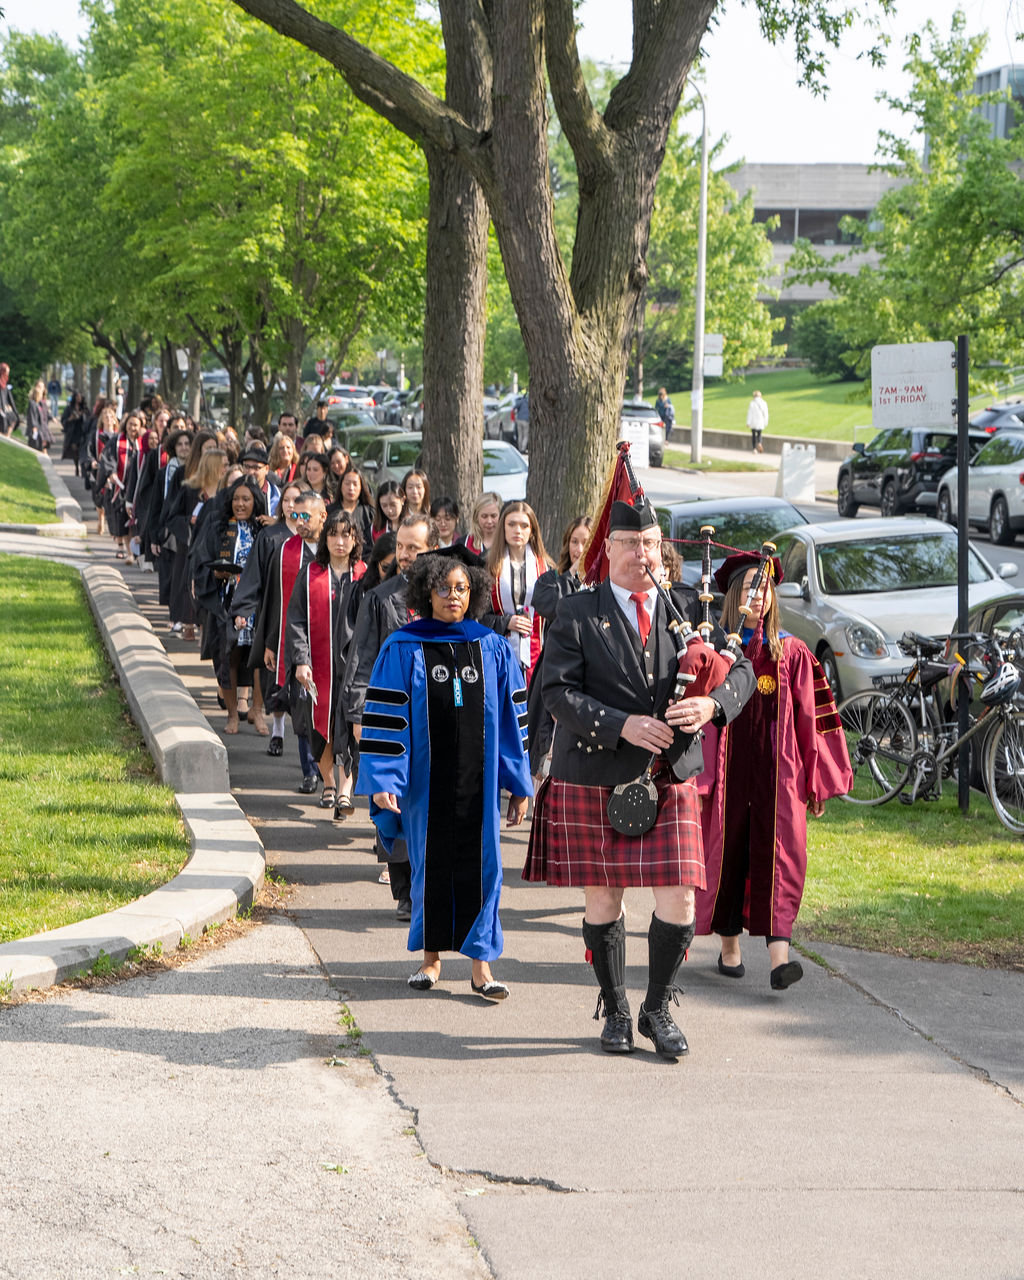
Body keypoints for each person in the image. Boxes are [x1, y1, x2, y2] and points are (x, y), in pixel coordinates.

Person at [523, 500, 756, 1057]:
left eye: (650, 543)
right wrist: (621, 725)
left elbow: (740, 670)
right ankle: (617, 1009)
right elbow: (555, 693)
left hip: (667, 777)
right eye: (631, 544)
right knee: (604, 900)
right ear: (608, 550)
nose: (641, 554)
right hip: (597, 772)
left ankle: (656, 1007)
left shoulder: (688, 611)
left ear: (662, 552)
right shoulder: (577, 613)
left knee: (680, 901)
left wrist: (712, 709)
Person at [356, 546, 532, 997]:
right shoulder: (404, 646)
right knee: (427, 867)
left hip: (481, 783)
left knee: (486, 868)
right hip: (423, 784)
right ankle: (431, 960)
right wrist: (384, 783)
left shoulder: (490, 647)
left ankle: (482, 967)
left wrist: (518, 783)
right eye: (444, 588)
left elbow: (514, 719)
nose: (453, 596)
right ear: (426, 592)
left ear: (472, 594)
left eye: (461, 589)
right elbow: (386, 718)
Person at [695, 553, 853, 989]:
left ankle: (779, 958)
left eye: (764, 589)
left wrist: (817, 781)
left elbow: (812, 720)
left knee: (780, 859)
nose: (758, 597)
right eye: (749, 589)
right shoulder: (715, 652)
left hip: (777, 780)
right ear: (733, 597)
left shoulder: (792, 653)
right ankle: (729, 948)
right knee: (727, 856)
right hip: (726, 776)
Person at [343, 513, 440, 921]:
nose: (403, 555)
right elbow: (361, 662)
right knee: (394, 804)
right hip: (394, 718)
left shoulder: (449, 595)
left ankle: (430, 884)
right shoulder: (381, 598)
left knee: (433, 807)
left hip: (438, 719)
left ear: (432, 547)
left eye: (413, 548)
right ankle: (404, 891)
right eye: (399, 546)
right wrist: (358, 715)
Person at [288, 510, 367, 817]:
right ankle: (329, 782)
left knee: (352, 724)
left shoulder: (363, 575)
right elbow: (295, 620)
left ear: (355, 539)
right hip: (318, 666)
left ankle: (346, 789)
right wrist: (301, 659)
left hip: (354, 668)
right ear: (325, 538)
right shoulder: (310, 574)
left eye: (346, 535)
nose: (339, 541)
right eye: (333, 534)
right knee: (320, 729)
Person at [251, 490, 327, 788]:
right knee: (302, 707)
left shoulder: (337, 548)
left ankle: (327, 768)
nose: (298, 522)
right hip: (296, 644)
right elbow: (274, 600)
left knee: (327, 710)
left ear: (322, 515)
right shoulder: (285, 549)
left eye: (305, 516)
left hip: (329, 642)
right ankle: (309, 770)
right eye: (294, 516)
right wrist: (271, 643)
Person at [192, 475, 268, 734]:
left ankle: (257, 712)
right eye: (236, 498)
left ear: (255, 501)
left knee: (258, 659)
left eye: (246, 499)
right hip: (226, 600)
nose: (240, 504)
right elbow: (201, 560)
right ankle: (233, 714)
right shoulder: (218, 525)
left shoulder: (263, 529)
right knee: (229, 657)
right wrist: (215, 574)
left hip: (257, 602)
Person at [485, 500, 553, 685]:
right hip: (498, 654)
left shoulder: (546, 569)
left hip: (538, 655)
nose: (518, 530)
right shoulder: (488, 568)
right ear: (503, 528)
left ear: (532, 530)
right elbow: (477, 616)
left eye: (524, 525)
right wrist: (506, 622)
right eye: (512, 524)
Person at [464, 491, 502, 558]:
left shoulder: (507, 543)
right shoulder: (464, 543)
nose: (489, 521)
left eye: (493, 516)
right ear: (476, 517)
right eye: (484, 516)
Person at [60, 392, 88, 475]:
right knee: (75, 451)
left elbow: (88, 418)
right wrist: (70, 418)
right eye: (77, 397)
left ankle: (82, 468)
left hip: (82, 432)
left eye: (80, 397)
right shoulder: (69, 408)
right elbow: (63, 420)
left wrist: (82, 415)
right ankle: (76, 467)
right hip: (73, 433)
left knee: (82, 450)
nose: (79, 398)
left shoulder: (84, 408)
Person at [25, 381, 54, 454]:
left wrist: (51, 417)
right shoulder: (33, 403)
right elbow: (32, 416)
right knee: (38, 446)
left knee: (43, 446)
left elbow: (46, 413)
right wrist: (34, 427)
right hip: (38, 428)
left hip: (43, 427)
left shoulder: (41, 402)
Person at [0, 364, 19, 437]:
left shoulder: (4, 385)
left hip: (5, 408)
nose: (7, 374)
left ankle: (7, 436)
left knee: (13, 416)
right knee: (3, 418)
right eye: (6, 372)